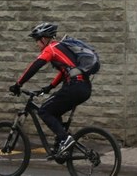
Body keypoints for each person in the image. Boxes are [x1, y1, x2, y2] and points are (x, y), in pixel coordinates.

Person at [8, 22, 91, 157]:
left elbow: (35, 66)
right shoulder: (61, 47)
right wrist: (50, 87)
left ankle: (65, 139)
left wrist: (18, 84)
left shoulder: (51, 48)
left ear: (44, 38)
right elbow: (66, 71)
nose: (36, 44)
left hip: (74, 86)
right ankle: (61, 145)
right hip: (84, 87)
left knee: (44, 111)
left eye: (37, 40)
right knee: (54, 110)